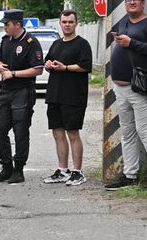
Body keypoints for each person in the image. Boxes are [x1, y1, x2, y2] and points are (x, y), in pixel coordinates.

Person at [106, 0, 147, 191]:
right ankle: (130, 175)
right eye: (128, 0)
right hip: (121, 87)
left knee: (146, 131)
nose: (131, 3)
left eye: (136, 0)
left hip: (141, 88)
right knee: (127, 133)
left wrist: (131, 42)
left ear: (143, 3)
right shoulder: (124, 22)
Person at [0, 9, 44, 184]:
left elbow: (38, 69)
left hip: (22, 91)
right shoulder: (6, 41)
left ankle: (18, 169)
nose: (5, 27)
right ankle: (6, 167)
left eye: (7, 24)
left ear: (17, 24)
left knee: (20, 131)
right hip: (5, 91)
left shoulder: (30, 42)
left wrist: (13, 74)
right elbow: (1, 62)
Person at [43, 10, 92, 186]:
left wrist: (65, 67)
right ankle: (63, 170)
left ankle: (77, 171)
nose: (67, 25)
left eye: (70, 22)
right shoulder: (56, 44)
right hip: (55, 95)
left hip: (74, 96)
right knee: (57, 133)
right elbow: (47, 63)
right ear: (60, 23)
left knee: (72, 133)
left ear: (76, 23)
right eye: (64, 22)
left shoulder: (82, 44)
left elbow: (85, 66)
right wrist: (48, 64)